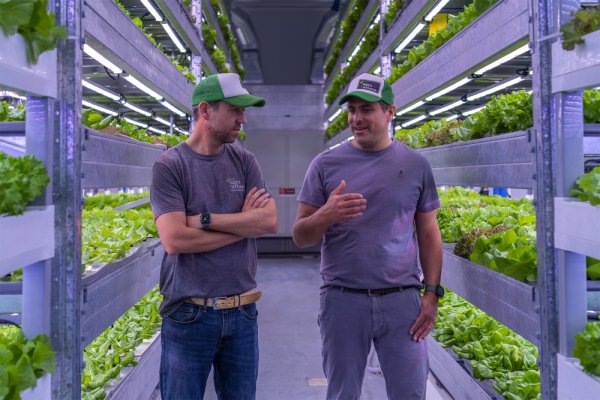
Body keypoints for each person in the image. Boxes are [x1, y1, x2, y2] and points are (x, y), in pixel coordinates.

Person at [292, 73, 443, 400]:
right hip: (343, 299)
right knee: (342, 393)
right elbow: (300, 235)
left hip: (402, 300)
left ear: (390, 112)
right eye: (352, 110)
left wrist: (431, 293)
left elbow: (429, 233)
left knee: (410, 393)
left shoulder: (416, 165)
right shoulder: (325, 164)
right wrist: (325, 214)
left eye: (367, 109)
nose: (356, 119)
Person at [150, 72, 278, 400]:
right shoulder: (170, 165)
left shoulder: (245, 161)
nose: (242, 119)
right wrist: (242, 226)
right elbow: (175, 240)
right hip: (190, 314)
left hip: (243, 312)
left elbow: (269, 221)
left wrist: (206, 220)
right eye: (234, 110)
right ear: (205, 111)